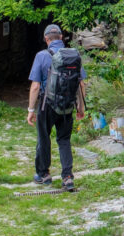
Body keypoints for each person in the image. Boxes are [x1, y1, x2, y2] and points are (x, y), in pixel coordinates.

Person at [27, 24, 86, 190]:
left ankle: (44, 174)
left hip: (47, 104)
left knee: (44, 138)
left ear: (46, 39)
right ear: (61, 37)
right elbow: (81, 84)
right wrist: (80, 107)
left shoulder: (41, 56)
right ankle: (67, 177)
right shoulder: (74, 55)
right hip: (67, 105)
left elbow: (35, 86)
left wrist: (31, 110)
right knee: (64, 140)